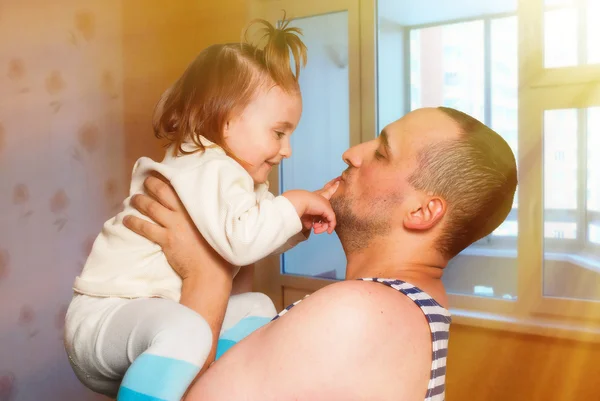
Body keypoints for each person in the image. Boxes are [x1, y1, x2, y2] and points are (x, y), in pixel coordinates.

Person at [123, 106, 518, 400]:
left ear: (421, 212)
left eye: (382, 153)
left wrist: (204, 274)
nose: (351, 153)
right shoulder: (409, 312)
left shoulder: (359, 313)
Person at [64, 18, 340, 401]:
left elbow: (252, 234)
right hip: (108, 315)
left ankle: (219, 387)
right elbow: (241, 242)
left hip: (156, 323)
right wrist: (294, 203)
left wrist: (297, 224)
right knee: (190, 329)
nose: (287, 149)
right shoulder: (208, 165)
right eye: (279, 132)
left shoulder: (235, 177)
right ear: (226, 121)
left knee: (257, 306)